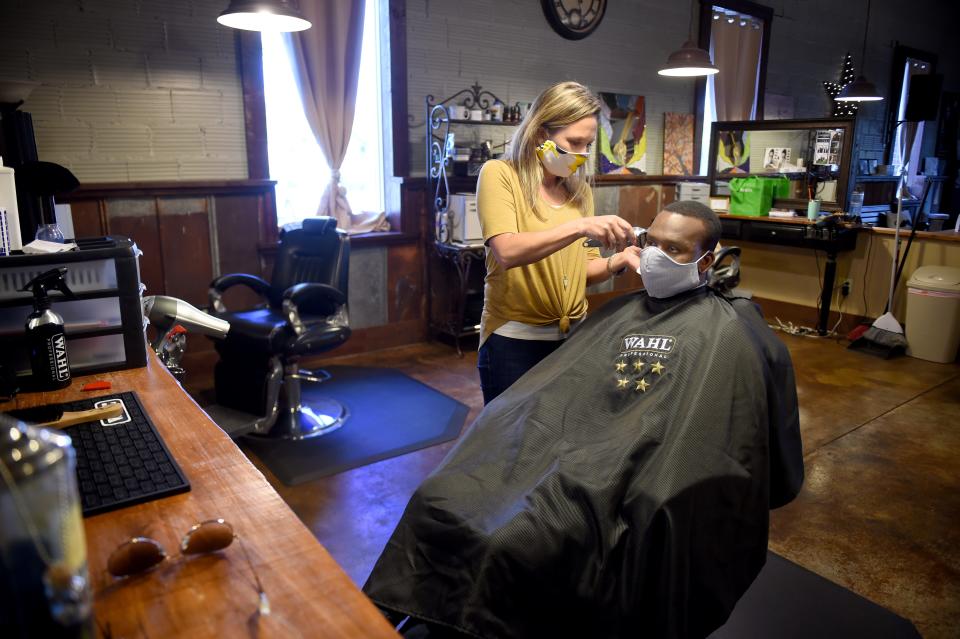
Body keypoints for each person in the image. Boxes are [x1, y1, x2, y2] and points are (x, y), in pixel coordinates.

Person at [364, 201, 804, 639]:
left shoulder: (726, 334)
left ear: (706, 261)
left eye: (675, 249)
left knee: (514, 538)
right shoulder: (623, 310)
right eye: (651, 242)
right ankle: (408, 610)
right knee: (437, 495)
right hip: (566, 446)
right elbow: (557, 392)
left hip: (612, 470)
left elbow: (706, 441)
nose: (655, 255)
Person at [475, 81, 639, 405]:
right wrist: (579, 227)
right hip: (514, 342)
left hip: (572, 337)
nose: (581, 154)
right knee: (513, 446)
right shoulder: (499, 175)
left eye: (588, 144)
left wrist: (615, 262)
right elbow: (507, 251)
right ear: (540, 134)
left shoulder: (579, 193)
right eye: (574, 142)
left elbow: (583, 270)